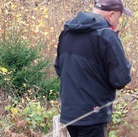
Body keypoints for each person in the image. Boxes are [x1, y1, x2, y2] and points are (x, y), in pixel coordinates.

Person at [54, 0, 133, 136]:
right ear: (111, 14)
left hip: (69, 113)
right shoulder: (106, 36)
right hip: (93, 115)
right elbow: (120, 79)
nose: (118, 21)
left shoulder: (66, 33)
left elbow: (59, 69)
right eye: (119, 17)